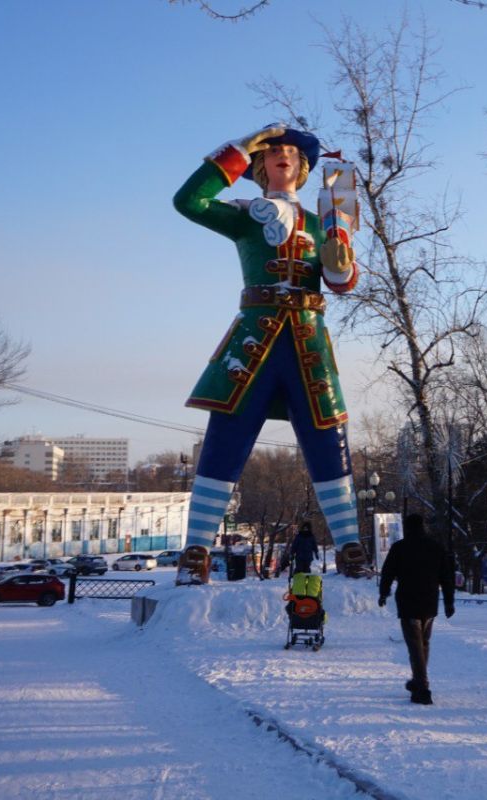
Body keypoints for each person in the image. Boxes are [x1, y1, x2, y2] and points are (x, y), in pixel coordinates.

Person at [170, 124, 367, 584]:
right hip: (254, 343)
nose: (283, 156)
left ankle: (350, 545)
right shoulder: (244, 214)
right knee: (226, 433)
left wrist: (340, 265)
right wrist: (239, 149)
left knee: (327, 433)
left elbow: (341, 281)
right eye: (273, 150)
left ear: (303, 167)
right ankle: (196, 549)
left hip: (307, 343)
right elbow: (188, 202)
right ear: (260, 163)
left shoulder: (326, 221)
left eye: (291, 152)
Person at [378, 514, 455, 705]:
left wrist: (383, 593)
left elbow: (387, 572)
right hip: (429, 603)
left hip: (408, 602)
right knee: (423, 643)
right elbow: (446, 576)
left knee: (414, 645)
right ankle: (418, 680)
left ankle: (422, 687)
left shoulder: (400, 548)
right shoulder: (435, 547)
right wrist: (449, 602)